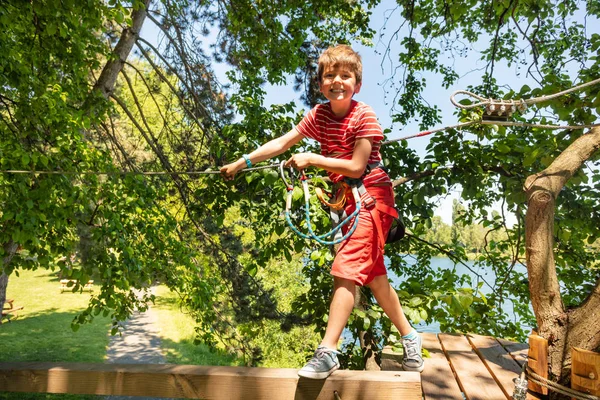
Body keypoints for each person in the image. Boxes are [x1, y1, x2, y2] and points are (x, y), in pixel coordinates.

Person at [220, 44, 423, 379]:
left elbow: (358, 166)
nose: (337, 81)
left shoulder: (364, 116)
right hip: (348, 199)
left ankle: (328, 351)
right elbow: (284, 143)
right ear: (321, 84)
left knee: (345, 270)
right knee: (373, 277)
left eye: (345, 75)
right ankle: (411, 336)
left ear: (357, 84)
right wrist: (244, 162)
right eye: (330, 75)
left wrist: (312, 158)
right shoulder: (319, 115)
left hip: (371, 197)